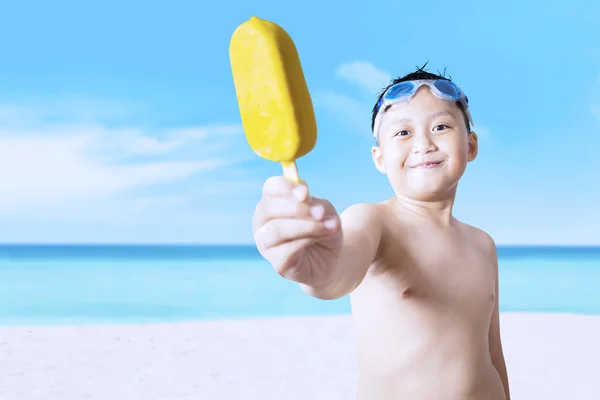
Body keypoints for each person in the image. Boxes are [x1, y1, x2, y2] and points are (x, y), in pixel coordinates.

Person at [252, 66, 511, 400]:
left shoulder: (483, 244)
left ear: (471, 145)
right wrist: (316, 269)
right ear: (379, 158)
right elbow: (338, 272)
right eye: (402, 133)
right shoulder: (374, 221)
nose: (423, 144)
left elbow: (493, 353)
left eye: (441, 126)